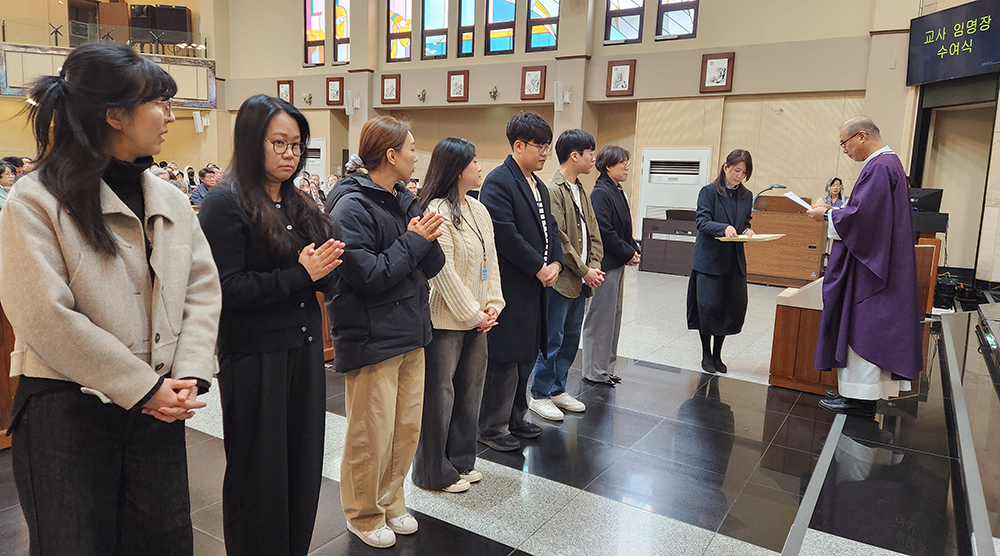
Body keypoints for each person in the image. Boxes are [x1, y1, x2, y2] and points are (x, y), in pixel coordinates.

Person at [0, 42, 220, 555]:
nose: (171, 116)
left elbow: (202, 288)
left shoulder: (170, 199)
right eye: (160, 103)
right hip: (67, 409)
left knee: (163, 541)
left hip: (158, 405)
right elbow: (44, 317)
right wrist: (143, 387)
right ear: (114, 114)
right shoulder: (36, 199)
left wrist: (188, 373)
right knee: (75, 542)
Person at [198, 94, 344, 556]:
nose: (289, 154)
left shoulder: (298, 202)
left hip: (302, 350)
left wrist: (329, 267)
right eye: (278, 143)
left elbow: (322, 273)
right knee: (258, 475)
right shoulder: (226, 203)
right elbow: (226, 289)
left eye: (296, 145)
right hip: (255, 356)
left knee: (302, 466)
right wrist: (302, 275)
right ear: (250, 141)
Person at [325, 116, 445, 549]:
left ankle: (391, 499)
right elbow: (369, 276)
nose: (417, 156)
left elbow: (434, 264)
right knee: (370, 433)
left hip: (410, 328)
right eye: (411, 148)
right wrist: (414, 241)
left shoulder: (402, 199)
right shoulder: (350, 206)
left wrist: (421, 232)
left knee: (404, 428)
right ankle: (363, 512)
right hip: (372, 334)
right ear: (391, 155)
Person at [807, 117, 921, 417]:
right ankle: (856, 393)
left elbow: (864, 220)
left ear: (861, 136)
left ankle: (861, 399)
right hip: (878, 261)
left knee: (864, 327)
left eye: (844, 144)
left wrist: (827, 215)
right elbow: (866, 213)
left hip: (871, 269)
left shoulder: (880, 167)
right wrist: (836, 210)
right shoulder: (887, 164)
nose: (845, 150)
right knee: (866, 326)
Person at [412, 137, 504, 493]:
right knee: (440, 397)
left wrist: (493, 304)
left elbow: (490, 261)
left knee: (470, 392)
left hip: (479, 319)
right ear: (456, 168)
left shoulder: (478, 209)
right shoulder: (435, 210)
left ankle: (461, 461)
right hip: (447, 321)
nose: (480, 167)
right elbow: (443, 273)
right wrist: (472, 314)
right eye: (474, 161)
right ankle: (432, 472)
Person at [477, 111, 562, 451]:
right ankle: (491, 425)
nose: (545, 153)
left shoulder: (538, 184)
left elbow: (550, 228)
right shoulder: (499, 181)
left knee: (527, 354)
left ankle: (516, 417)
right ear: (519, 145)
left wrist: (556, 262)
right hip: (511, 284)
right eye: (539, 146)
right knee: (505, 358)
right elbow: (505, 233)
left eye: (547, 146)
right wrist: (538, 267)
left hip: (535, 284)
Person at [529, 129, 604, 422]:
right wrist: (585, 270)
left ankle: (558, 389)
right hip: (562, 280)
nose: (593, 159)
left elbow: (593, 231)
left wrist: (593, 266)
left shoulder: (581, 188)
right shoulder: (553, 189)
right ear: (575, 155)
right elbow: (559, 238)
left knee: (571, 338)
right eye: (590, 153)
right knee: (553, 339)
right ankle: (540, 394)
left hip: (581, 280)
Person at [687, 149, 755, 374]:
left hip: (734, 261)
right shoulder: (709, 192)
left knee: (728, 307)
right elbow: (702, 221)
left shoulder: (746, 196)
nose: (739, 176)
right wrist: (723, 228)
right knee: (708, 308)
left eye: (744, 173)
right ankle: (706, 354)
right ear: (726, 167)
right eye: (736, 170)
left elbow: (745, 221)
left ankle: (718, 354)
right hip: (710, 260)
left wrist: (747, 230)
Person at [582, 145, 640, 385]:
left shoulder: (616, 190)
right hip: (604, 264)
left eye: (627, 163)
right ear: (608, 167)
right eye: (622, 163)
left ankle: (606, 368)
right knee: (600, 319)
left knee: (613, 317)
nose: (626, 167)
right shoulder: (600, 193)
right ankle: (593, 370)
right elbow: (604, 231)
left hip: (617, 263)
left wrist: (633, 248)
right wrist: (627, 253)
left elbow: (623, 228)